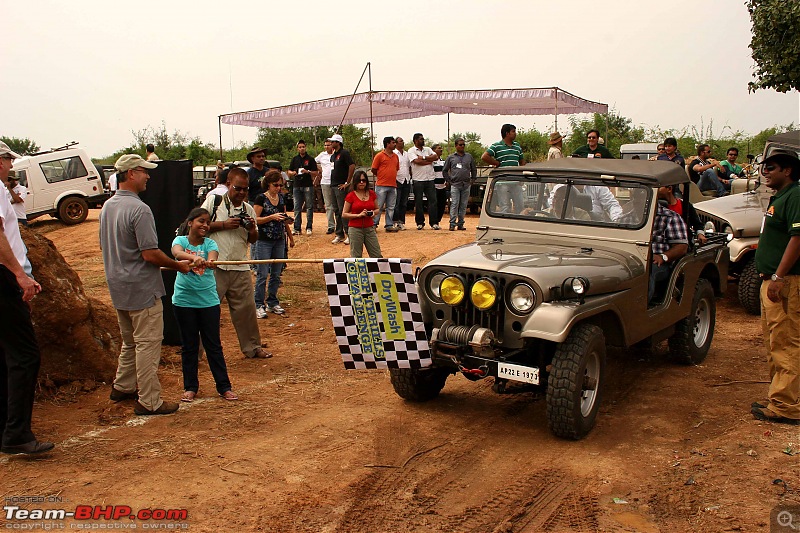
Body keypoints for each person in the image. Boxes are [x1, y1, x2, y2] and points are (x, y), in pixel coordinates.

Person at [100, 154, 191, 416]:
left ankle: (123, 386)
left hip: (118, 284)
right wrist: (179, 265)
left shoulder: (108, 206)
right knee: (148, 343)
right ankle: (150, 400)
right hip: (141, 286)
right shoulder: (140, 209)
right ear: (131, 174)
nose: (148, 176)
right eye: (144, 171)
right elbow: (150, 254)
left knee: (130, 341)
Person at [0, 141, 53, 455]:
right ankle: (17, 432)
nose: (9, 165)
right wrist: (19, 274)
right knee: (25, 355)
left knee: (4, 355)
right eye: (7, 159)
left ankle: (7, 427)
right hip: (3, 277)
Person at [201, 167, 272, 359]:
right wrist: (224, 225)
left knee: (246, 311)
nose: (241, 193)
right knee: (206, 311)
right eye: (237, 188)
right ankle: (197, 352)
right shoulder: (214, 203)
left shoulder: (248, 209)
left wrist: (250, 228)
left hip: (240, 265)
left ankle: (252, 347)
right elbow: (198, 226)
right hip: (216, 266)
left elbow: (254, 239)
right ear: (228, 185)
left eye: (245, 189)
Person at [752, 150, 800, 425]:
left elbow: (798, 237)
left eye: (771, 168)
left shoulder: (795, 196)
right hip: (771, 280)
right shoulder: (781, 196)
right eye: (764, 168)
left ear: (788, 171)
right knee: (775, 341)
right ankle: (779, 397)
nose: (765, 172)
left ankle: (786, 406)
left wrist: (780, 277)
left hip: (786, 282)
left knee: (785, 342)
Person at [171, 207, 237, 403]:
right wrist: (193, 258)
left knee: (213, 345)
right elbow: (177, 254)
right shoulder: (180, 241)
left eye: (208, 222)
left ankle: (224, 387)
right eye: (201, 221)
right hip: (184, 302)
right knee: (189, 346)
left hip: (208, 302)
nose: (205, 225)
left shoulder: (210, 243)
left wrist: (209, 261)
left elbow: (213, 256)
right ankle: (190, 387)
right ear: (190, 222)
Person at [253, 170, 293, 318]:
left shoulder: (281, 198)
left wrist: (290, 233)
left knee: (276, 273)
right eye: (275, 185)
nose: (278, 188)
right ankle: (258, 304)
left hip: (279, 239)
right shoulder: (261, 199)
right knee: (262, 274)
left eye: (280, 185)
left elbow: (282, 218)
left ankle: (272, 301)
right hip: (264, 240)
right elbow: (255, 219)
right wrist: (271, 217)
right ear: (268, 185)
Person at [342, 170, 382, 258]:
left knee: (377, 255)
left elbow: (377, 209)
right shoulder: (351, 195)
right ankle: (357, 272)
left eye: (364, 180)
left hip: (369, 228)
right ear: (355, 182)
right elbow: (344, 214)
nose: (361, 182)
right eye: (359, 180)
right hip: (355, 229)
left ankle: (376, 271)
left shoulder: (372, 194)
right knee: (356, 257)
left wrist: (372, 213)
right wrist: (358, 215)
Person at [442, 137, 476, 230]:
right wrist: (449, 181)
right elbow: (444, 170)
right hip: (455, 184)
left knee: (463, 205)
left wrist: (473, 179)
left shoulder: (469, 157)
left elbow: (473, 169)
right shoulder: (451, 157)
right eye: (460, 145)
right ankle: (452, 224)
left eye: (463, 144)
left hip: (466, 184)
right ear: (456, 146)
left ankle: (460, 224)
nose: (462, 146)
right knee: (455, 204)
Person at [408, 133, 439, 230]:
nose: (423, 140)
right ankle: (420, 223)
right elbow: (417, 162)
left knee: (433, 201)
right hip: (418, 180)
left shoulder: (428, 149)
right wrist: (428, 161)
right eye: (421, 139)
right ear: (416, 141)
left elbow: (436, 157)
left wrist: (424, 158)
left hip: (430, 179)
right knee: (419, 202)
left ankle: (434, 223)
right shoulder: (411, 150)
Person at [287, 140, 318, 236]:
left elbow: (316, 172)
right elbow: (288, 171)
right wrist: (293, 173)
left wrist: (307, 172)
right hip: (297, 185)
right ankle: (297, 228)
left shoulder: (311, 159)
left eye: (303, 147)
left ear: (306, 147)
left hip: (308, 185)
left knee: (309, 207)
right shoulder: (295, 159)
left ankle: (309, 227)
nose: (302, 148)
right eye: (300, 147)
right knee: (297, 207)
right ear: (297, 148)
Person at [329, 134, 354, 245]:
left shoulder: (344, 153)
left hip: (340, 185)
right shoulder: (333, 156)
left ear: (338, 142)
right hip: (333, 185)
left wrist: (347, 182)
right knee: (336, 210)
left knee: (343, 210)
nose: (331, 143)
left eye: (333, 141)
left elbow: (352, 165)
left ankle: (349, 233)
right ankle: (339, 233)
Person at [371, 136, 400, 232]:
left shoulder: (396, 156)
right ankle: (374, 224)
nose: (395, 144)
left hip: (392, 184)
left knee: (391, 207)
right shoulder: (379, 155)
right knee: (378, 206)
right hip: (381, 185)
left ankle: (389, 225)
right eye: (393, 142)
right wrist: (380, 176)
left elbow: (396, 168)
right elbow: (373, 169)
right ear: (387, 144)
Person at [315, 140, 336, 234]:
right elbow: (313, 162)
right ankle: (331, 225)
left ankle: (341, 225)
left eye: (329, 145)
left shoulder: (337, 154)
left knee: (338, 205)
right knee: (328, 205)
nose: (327, 147)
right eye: (325, 145)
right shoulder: (322, 155)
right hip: (325, 182)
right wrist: (320, 169)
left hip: (336, 182)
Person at [393, 136, 412, 230]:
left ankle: (401, 221)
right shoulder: (393, 154)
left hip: (406, 180)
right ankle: (395, 221)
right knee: (396, 202)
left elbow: (409, 167)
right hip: (397, 180)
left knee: (404, 203)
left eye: (403, 140)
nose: (403, 142)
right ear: (396, 143)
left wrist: (410, 177)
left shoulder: (407, 154)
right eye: (401, 141)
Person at [431, 144, 448, 227]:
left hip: (442, 186)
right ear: (433, 150)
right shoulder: (431, 162)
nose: (441, 150)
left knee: (442, 205)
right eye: (439, 148)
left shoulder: (443, 162)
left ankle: (438, 221)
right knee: (434, 205)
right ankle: (434, 222)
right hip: (434, 187)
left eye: (441, 148)